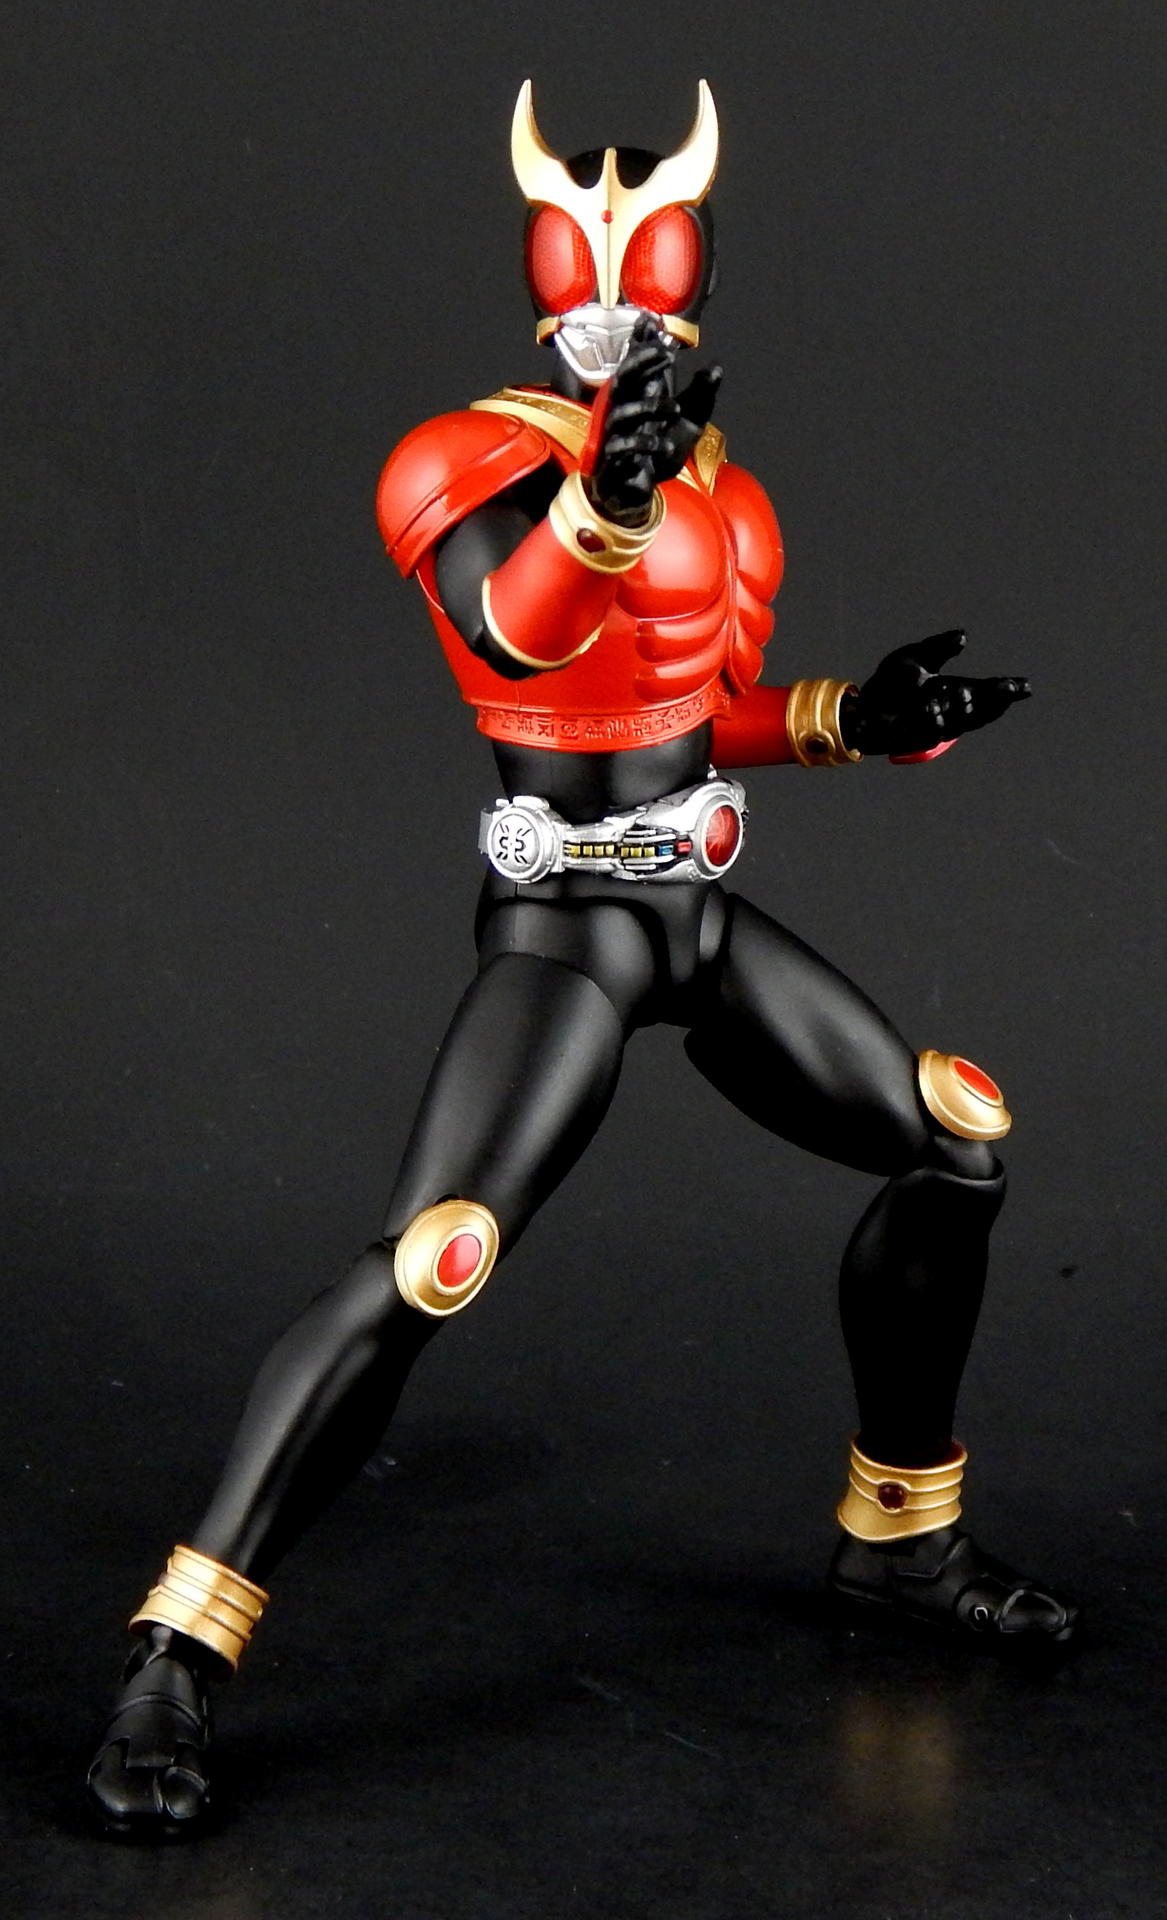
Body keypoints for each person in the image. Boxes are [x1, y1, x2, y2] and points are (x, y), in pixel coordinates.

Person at [87, 80, 1076, 1838]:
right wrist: (599, 502)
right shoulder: (463, 458)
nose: (618, 288)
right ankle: (180, 1648)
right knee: (435, 1260)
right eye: (584, 255)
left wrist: (853, 720)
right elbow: (516, 639)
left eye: (652, 258)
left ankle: (902, 1541)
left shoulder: (729, 492)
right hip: (569, 933)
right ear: (543, 273)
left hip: (697, 911)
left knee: (954, 1140)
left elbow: (688, 712)